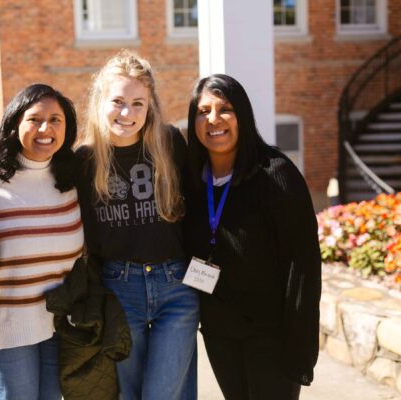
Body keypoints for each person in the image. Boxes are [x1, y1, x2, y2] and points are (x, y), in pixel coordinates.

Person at [183, 74, 321, 400]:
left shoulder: (275, 174)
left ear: (242, 115)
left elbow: (302, 266)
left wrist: (300, 346)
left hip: (270, 334)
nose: (213, 120)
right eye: (203, 112)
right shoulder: (190, 180)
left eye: (224, 109)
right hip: (219, 333)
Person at [76, 50, 199, 400]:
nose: (127, 113)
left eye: (137, 103)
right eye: (118, 101)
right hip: (119, 288)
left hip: (176, 286)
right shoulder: (84, 162)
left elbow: (199, 210)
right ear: (101, 101)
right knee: (128, 394)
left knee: (163, 393)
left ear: (150, 106)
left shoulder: (171, 143)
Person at [0, 83, 84, 400]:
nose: (46, 128)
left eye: (56, 120)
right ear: (15, 122)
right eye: (35, 119)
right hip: (5, 327)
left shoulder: (71, 175)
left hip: (60, 324)